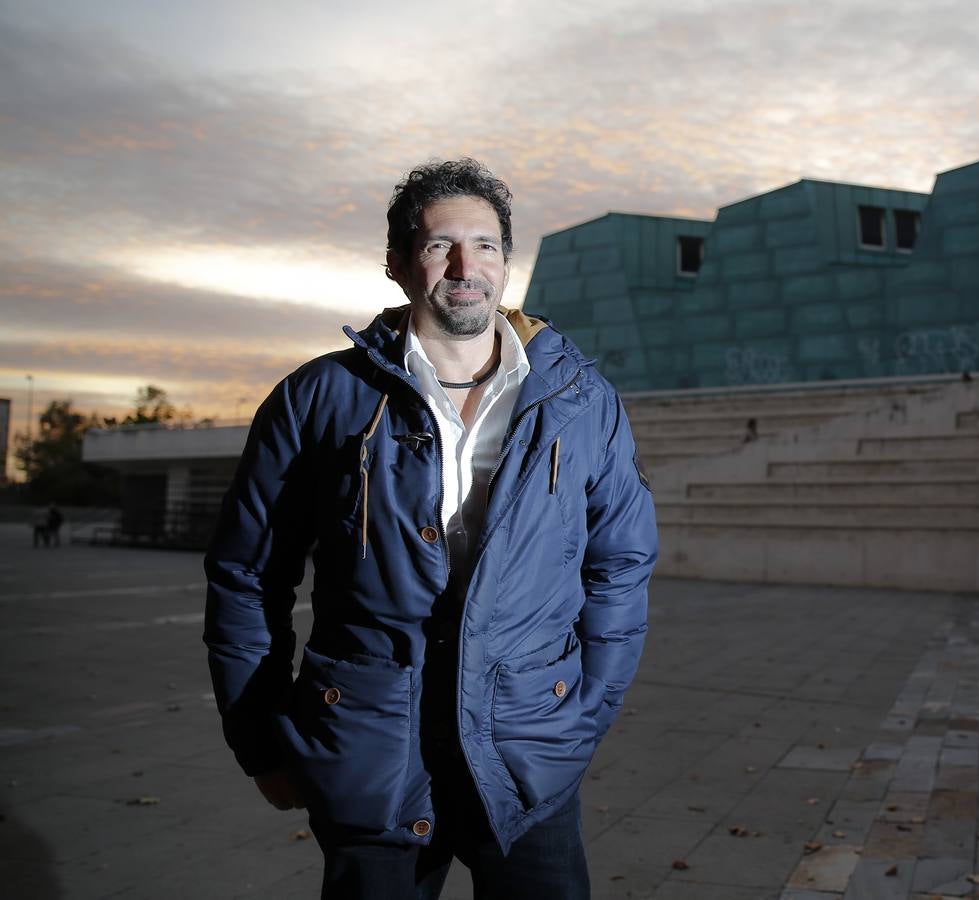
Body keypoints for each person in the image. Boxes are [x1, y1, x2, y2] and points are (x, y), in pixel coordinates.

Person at [204, 158, 657, 900]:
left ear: (507, 263)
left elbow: (621, 565)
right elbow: (247, 576)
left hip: (527, 755)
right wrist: (259, 740)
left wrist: (582, 719)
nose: (464, 265)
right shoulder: (320, 398)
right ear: (397, 264)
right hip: (369, 751)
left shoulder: (582, 401)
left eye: (484, 245)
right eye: (439, 244)